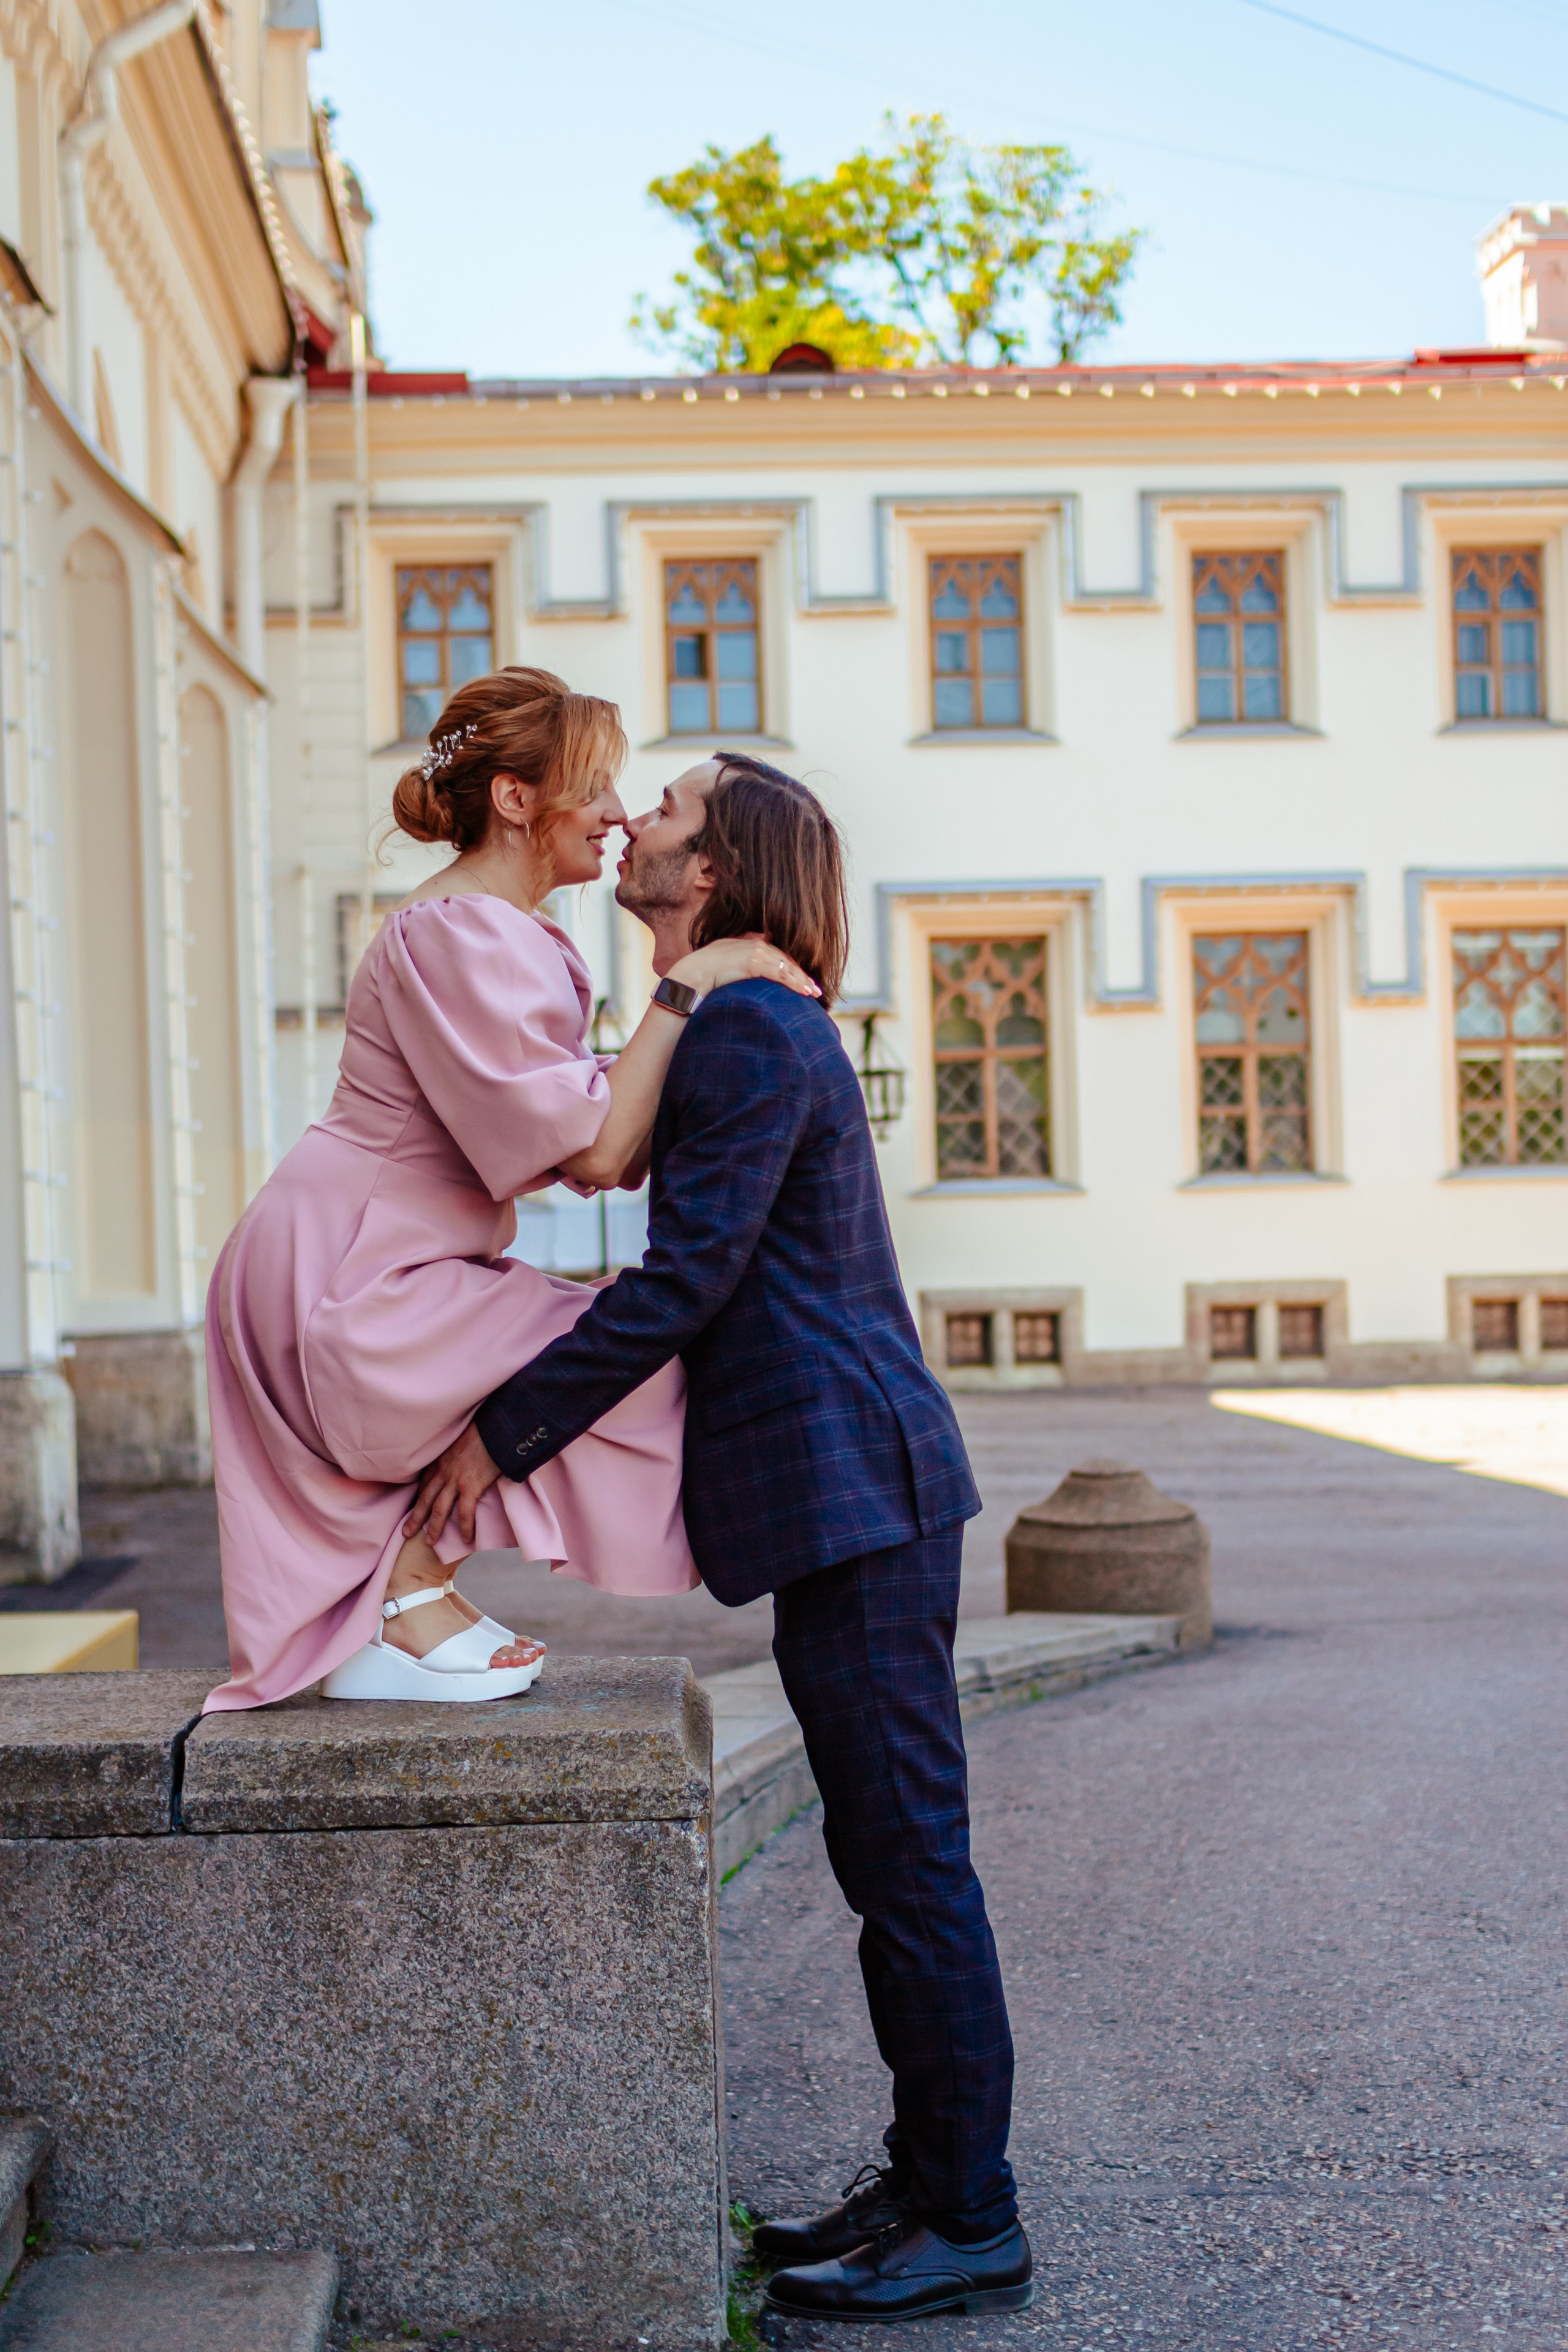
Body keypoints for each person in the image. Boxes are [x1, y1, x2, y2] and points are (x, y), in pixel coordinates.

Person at [402, 752, 1033, 2324]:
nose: (633, 818)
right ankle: (928, 2181)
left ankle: (971, 2218)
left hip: (862, 1493)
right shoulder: (728, 1011)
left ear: (712, 867)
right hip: (848, 1498)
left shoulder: (753, 1028)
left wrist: (496, 1437)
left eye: (669, 809)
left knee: (911, 1866)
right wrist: (682, 990)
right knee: (888, 1858)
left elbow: (682, 1280)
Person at [201, 669, 815, 1713]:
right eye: (597, 786)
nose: (619, 815)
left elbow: (600, 1137)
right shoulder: (462, 932)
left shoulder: (494, 931)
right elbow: (593, 1151)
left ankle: (408, 1584)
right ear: (517, 799)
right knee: (618, 1363)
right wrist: (695, 980)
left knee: (605, 1364)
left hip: (373, 1250)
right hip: (349, 1269)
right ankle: (404, 1586)